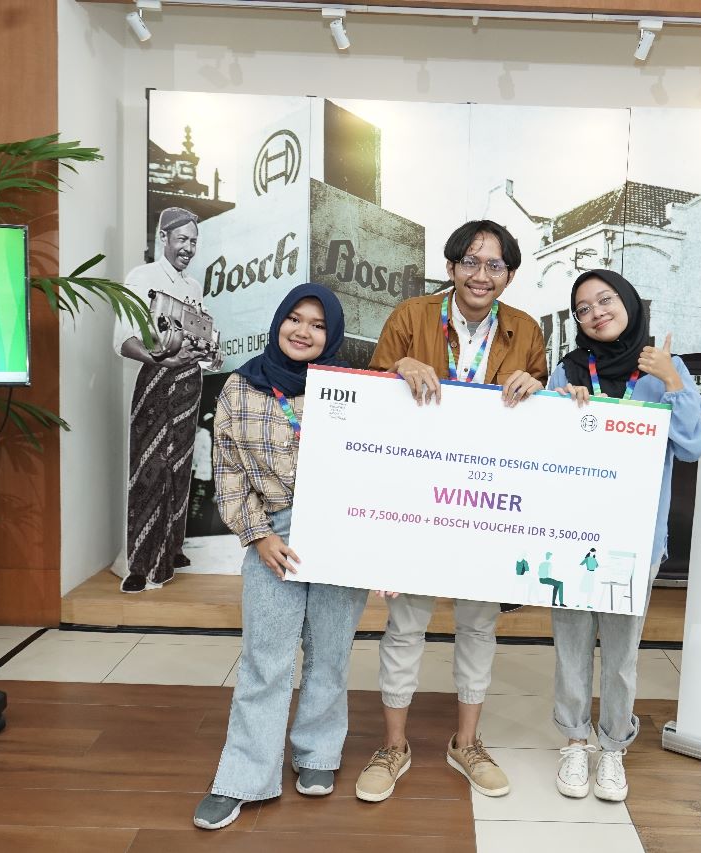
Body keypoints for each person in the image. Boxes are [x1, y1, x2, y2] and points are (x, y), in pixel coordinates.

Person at [354, 220, 548, 802]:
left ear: (509, 275)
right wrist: (397, 369)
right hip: (417, 500)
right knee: (405, 626)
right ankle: (394, 746)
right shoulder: (411, 316)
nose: (481, 275)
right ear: (450, 267)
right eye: (470, 262)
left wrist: (536, 385)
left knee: (479, 625)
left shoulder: (526, 330)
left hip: (486, 503)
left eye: (494, 265)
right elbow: (369, 398)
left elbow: (544, 421)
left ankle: (467, 743)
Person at [193, 284, 368, 830]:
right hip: (274, 532)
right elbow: (227, 473)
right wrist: (259, 535)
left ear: (331, 335)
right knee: (264, 660)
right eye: (294, 318)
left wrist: (376, 545)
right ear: (277, 323)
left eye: (318, 324)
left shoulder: (353, 389)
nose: (303, 331)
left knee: (330, 653)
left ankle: (318, 752)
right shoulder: (240, 386)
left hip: (340, 532)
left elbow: (376, 470)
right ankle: (244, 777)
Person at [548, 269, 701, 803]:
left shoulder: (663, 367)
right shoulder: (567, 370)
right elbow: (544, 449)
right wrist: (560, 407)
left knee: (621, 653)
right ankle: (575, 740)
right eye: (584, 308)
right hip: (572, 535)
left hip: (635, 541)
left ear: (630, 303)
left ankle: (614, 746)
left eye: (605, 300)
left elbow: (693, 445)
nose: (596, 313)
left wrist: (672, 381)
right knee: (571, 645)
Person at [114, 207, 213, 593]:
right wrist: (160, 359)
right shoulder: (142, 277)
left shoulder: (194, 286)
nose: (188, 247)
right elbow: (124, 338)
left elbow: (199, 335)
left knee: (179, 465)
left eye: (193, 241)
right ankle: (140, 564)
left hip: (189, 381)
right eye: (182, 239)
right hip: (157, 379)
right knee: (149, 466)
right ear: (164, 238)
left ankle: (171, 548)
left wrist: (209, 352)